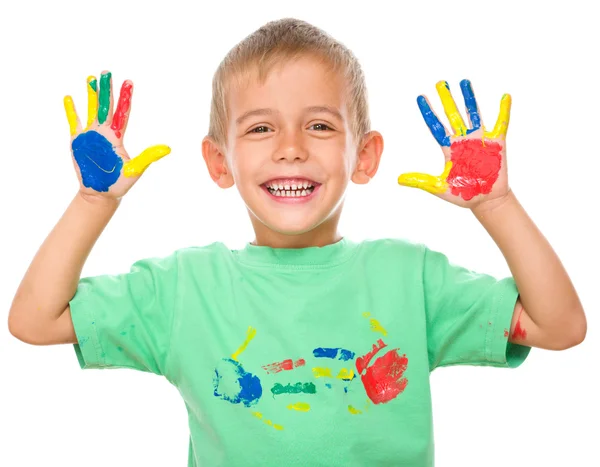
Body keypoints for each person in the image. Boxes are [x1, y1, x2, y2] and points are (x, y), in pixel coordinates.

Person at [8, 18, 586, 467]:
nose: (290, 148)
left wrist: (496, 205)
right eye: (260, 128)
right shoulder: (185, 289)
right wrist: (93, 202)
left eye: (320, 125)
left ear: (365, 156)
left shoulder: (409, 278)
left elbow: (558, 326)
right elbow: (35, 320)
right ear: (219, 161)